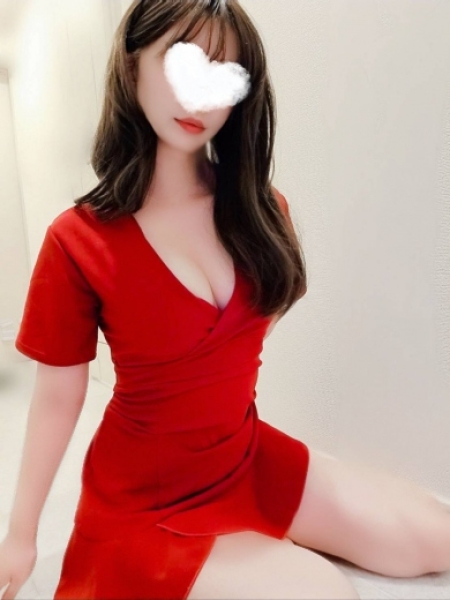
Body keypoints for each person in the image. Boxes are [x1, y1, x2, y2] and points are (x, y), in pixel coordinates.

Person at [2, 1, 449, 599]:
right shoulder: (78, 241)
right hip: (145, 500)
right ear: (133, 66)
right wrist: (21, 535)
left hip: (242, 454)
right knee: (326, 593)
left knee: (436, 537)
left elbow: (245, 335)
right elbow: (58, 398)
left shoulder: (262, 212)